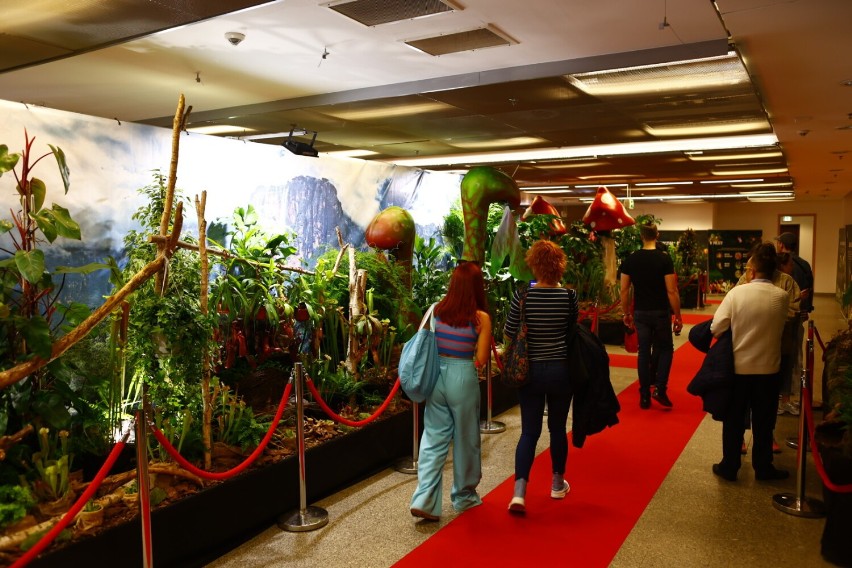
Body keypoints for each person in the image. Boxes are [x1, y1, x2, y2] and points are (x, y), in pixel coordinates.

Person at [409, 262, 492, 521]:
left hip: (436, 377)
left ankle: (425, 498)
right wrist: (467, 364)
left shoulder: (436, 310)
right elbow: (481, 358)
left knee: (433, 438)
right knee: (467, 439)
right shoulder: (481, 318)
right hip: (463, 376)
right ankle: (464, 497)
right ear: (478, 287)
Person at [504, 240, 579, 514]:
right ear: (559, 266)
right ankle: (557, 484)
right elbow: (572, 333)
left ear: (533, 264)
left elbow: (510, 331)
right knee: (557, 429)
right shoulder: (569, 298)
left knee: (529, 432)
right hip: (561, 370)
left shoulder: (522, 296)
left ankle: (519, 493)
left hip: (530, 371)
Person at [710, 243, 790, 481]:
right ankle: (763, 467)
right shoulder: (782, 296)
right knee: (764, 421)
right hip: (769, 368)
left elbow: (716, 328)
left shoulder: (736, 294)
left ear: (751, 270)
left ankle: (730, 465)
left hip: (738, 367)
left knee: (734, 419)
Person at [620, 223, 683, 409]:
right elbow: (672, 291)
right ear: (657, 235)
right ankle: (660, 389)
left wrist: (626, 313)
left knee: (643, 352)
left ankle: (644, 394)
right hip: (660, 312)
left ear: (641, 236)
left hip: (641, 312)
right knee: (665, 349)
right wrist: (678, 315)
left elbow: (624, 289)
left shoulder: (631, 259)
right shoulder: (664, 259)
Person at [774, 232, 814, 415]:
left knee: (781, 358)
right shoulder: (804, 264)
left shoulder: (776, 265)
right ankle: (788, 397)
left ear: (781, 245)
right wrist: (805, 310)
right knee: (794, 357)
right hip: (797, 317)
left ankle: (781, 398)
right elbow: (809, 289)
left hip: (778, 320)